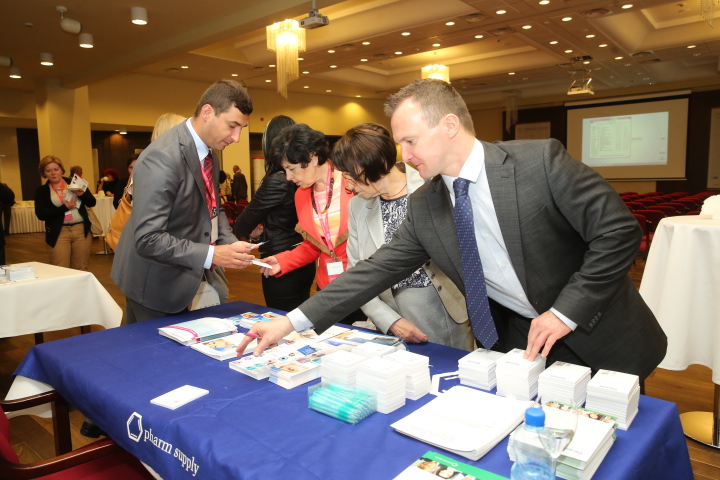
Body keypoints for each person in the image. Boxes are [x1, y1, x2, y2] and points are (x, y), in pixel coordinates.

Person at [238, 79, 667, 382]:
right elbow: (374, 270)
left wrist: (564, 312)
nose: (403, 154)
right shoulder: (426, 204)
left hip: (596, 331)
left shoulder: (539, 162)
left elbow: (618, 233)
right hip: (518, 346)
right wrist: (290, 323)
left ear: (448, 125)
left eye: (410, 141)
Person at [111, 79, 256, 324]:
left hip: (179, 275)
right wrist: (212, 254)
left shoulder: (209, 153)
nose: (237, 137)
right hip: (153, 283)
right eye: (232, 126)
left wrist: (231, 245)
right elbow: (148, 239)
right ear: (207, 112)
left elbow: (214, 207)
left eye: (241, 128)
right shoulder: (163, 156)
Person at [333, 123, 474, 350]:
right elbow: (356, 274)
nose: (348, 186)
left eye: (351, 177)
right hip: (389, 318)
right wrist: (389, 321)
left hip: (442, 312)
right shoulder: (357, 206)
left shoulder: (433, 188)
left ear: (372, 166)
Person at [258, 124, 364, 325]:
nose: (288, 177)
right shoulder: (301, 195)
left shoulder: (352, 182)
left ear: (312, 158)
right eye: (285, 170)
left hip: (361, 285)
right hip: (327, 288)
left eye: (292, 169)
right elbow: (314, 246)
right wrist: (282, 261)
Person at [234, 115, 315, 312]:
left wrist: (257, 231)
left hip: (280, 261)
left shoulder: (277, 180)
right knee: (299, 318)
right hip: (303, 257)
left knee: (281, 319)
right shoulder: (301, 177)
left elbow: (242, 225)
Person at [34, 155, 97, 270]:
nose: (53, 173)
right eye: (48, 171)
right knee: (60, 268)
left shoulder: (75, 183)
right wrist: (65, 207)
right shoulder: (42, 191)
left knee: (80, 267)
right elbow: (41, 214)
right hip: (59, 232)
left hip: (80, 230)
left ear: (61, 170)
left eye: (56, 169)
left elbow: (92, 202)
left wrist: (81, 194)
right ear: (44, 173)